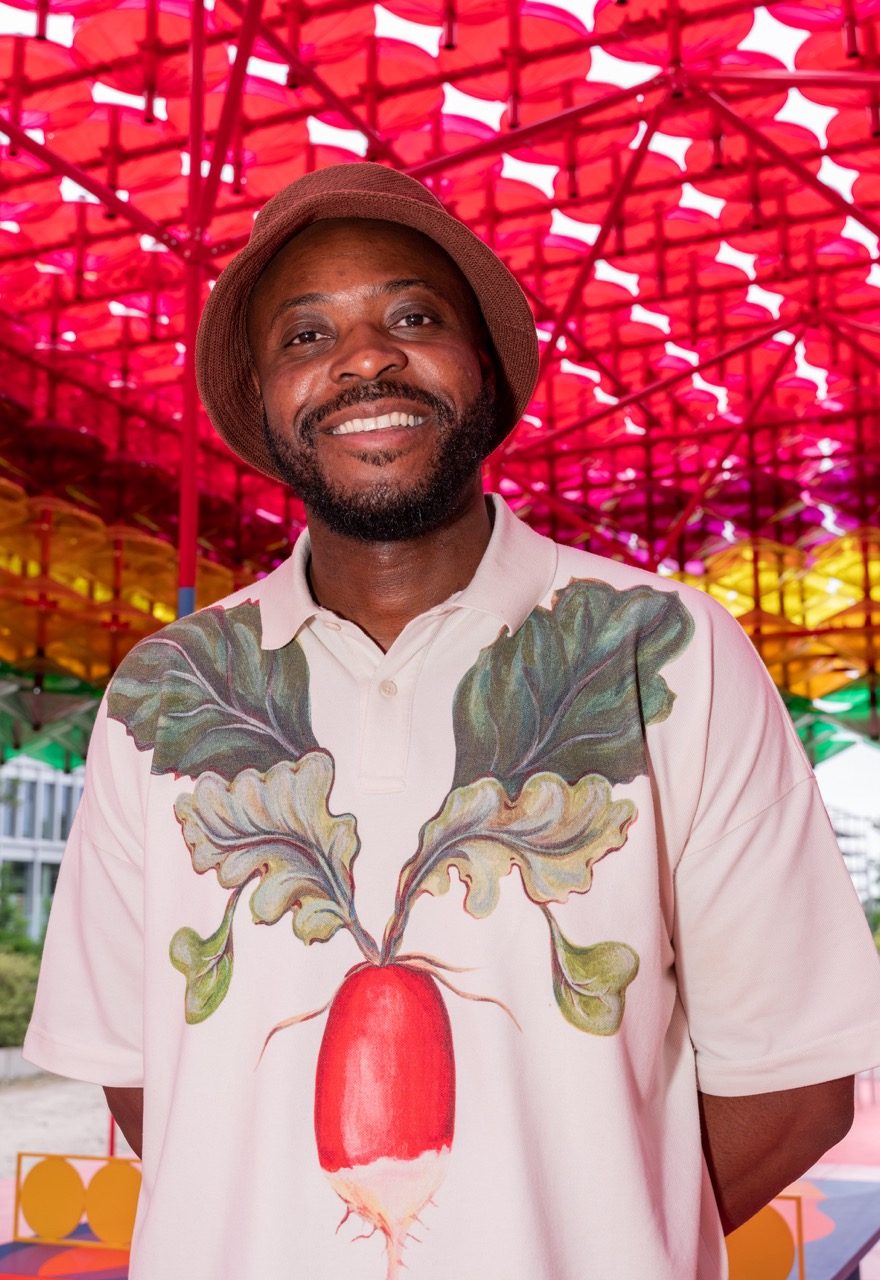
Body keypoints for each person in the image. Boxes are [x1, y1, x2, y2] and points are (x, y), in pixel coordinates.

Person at [24, 163, 880, 1280]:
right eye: (306, 335)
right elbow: (150, 1080)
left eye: (412, 317)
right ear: (266, 398)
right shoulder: (163, 687)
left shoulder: (665, 649)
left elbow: (793, 1084)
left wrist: (594, 1238)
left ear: (482, 362)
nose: (363, 358)